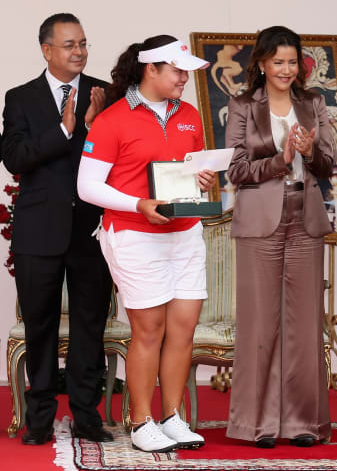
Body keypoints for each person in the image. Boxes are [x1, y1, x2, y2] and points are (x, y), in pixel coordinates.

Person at [76, 35, 216, 453]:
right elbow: (87, 186)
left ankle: (172, 417)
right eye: (177, 71)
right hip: (134, 235)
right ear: (150, 69)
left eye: (187, 73)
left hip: (185, 233)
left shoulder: (189, 115)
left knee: (183, 329)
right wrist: (138, 204)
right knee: (149, 330)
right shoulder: (113, 119)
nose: (184, 79)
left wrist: (202, 179)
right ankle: (141, 421)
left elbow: (191, 173)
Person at [2, 13, 115, 445]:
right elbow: (15, 158)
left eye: (83, 43)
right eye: (70, 45)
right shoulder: (20, 98)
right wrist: (66, 129)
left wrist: (93, 126)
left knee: (90, 326)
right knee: (40, 327)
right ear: (46, 50)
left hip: (90, 229)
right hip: (38, 230)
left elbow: (118, 156)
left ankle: (87, 416)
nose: (79, 51)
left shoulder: (105, 94)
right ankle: (40, 419)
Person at [224, 26, 337, 448]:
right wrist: (282, 158)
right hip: (260, 220)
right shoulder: (242, 105)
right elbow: (236, 170)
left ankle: (303, 423)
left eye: (292, 62)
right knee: (260, 324)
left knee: (305, 325)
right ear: (261, 63)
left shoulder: (313, 103)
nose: (286, 70)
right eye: (278, 62)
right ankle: (258, 425)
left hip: (306, 218)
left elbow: (328, 163)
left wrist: (308, 152)